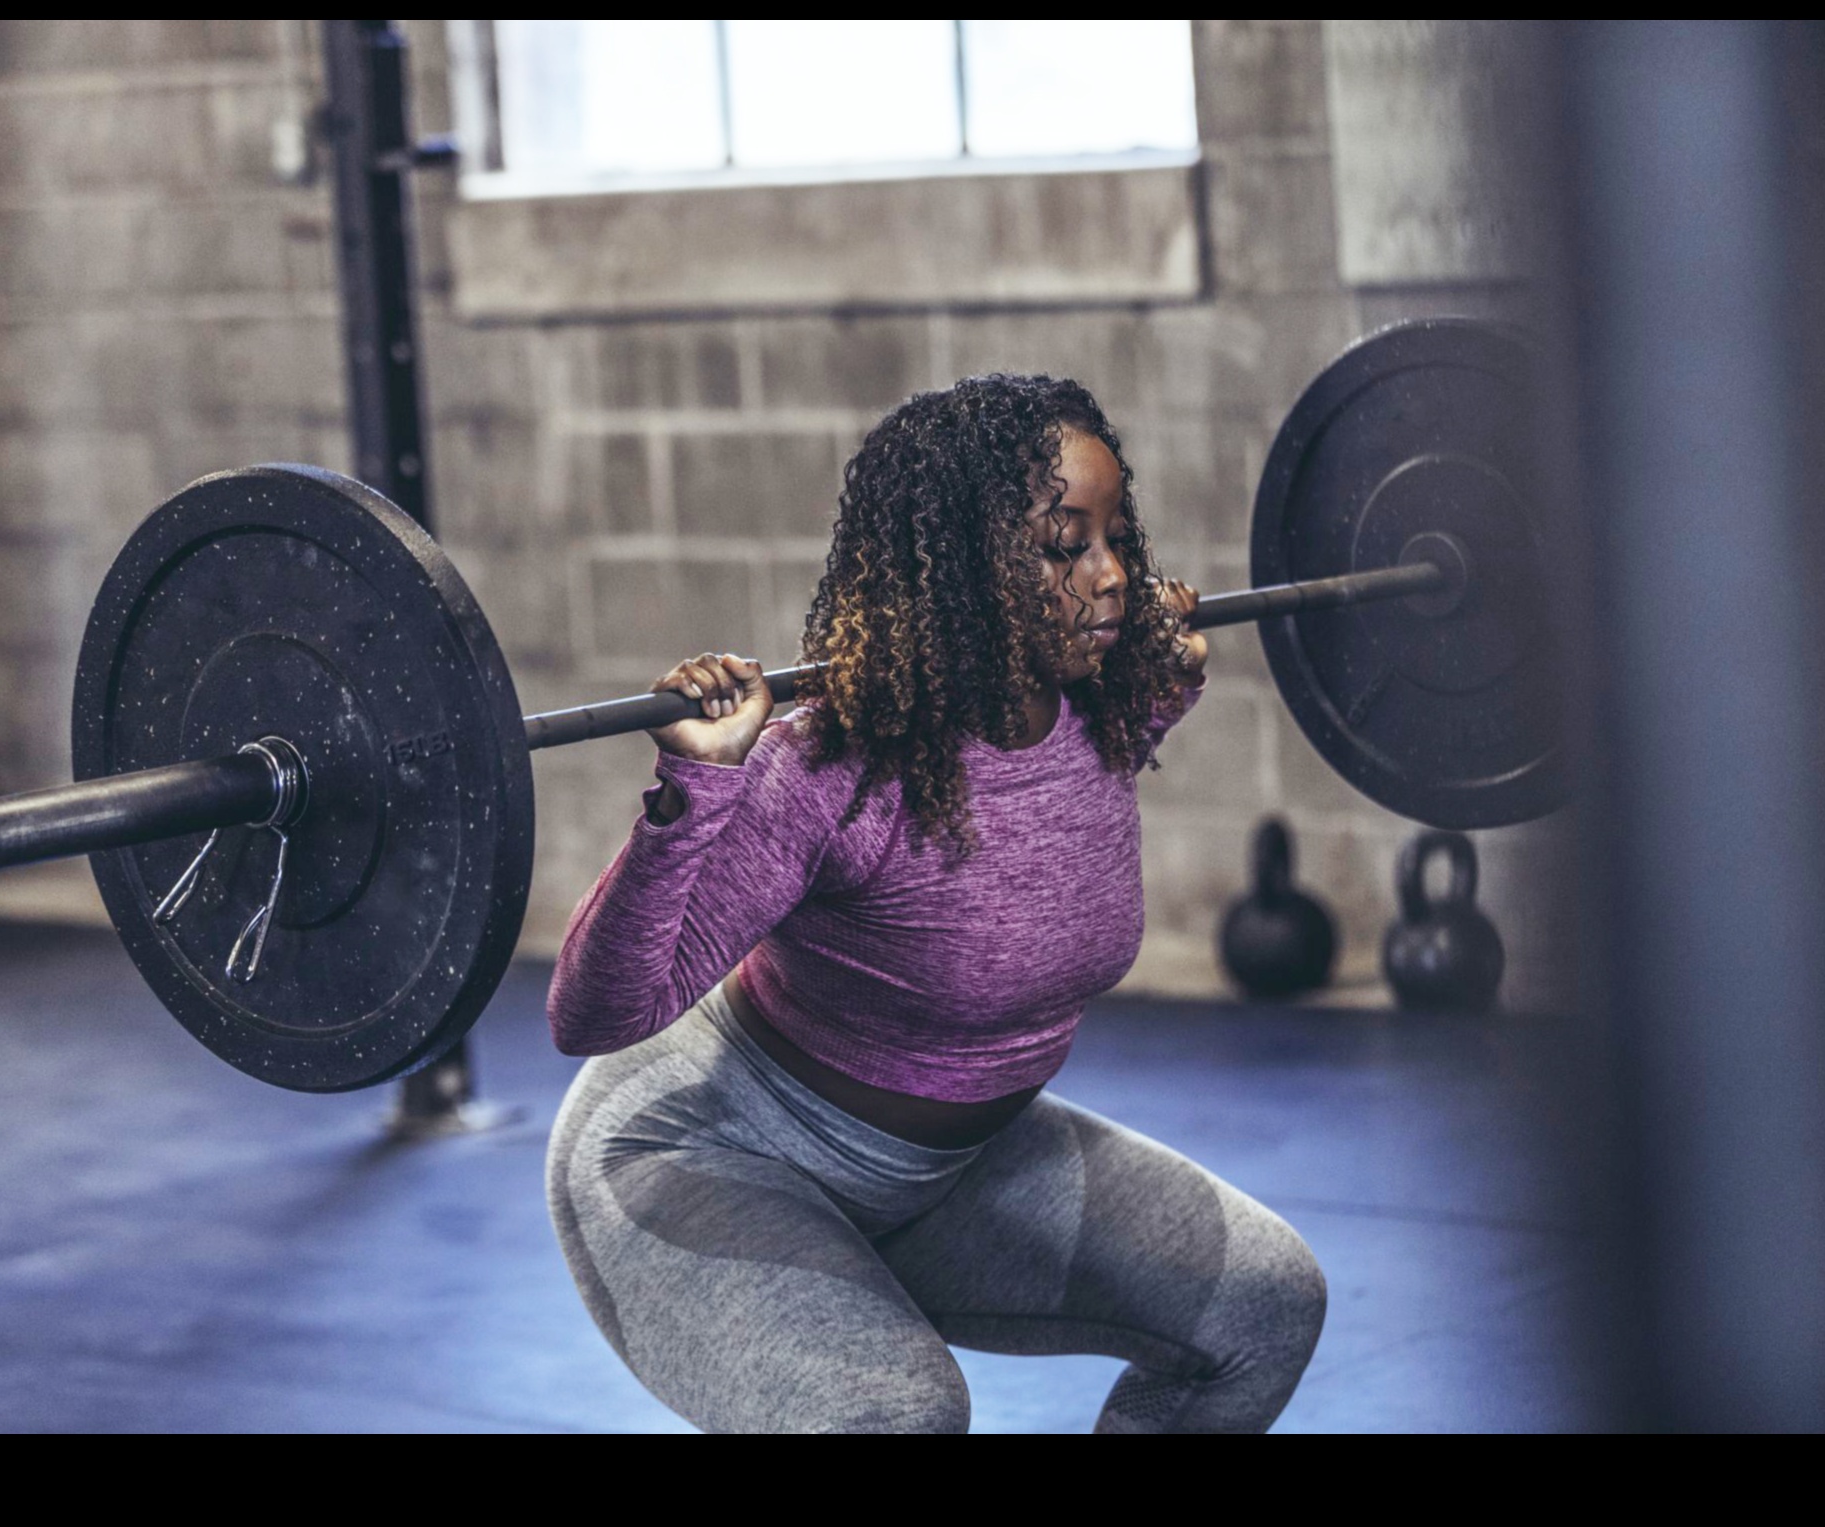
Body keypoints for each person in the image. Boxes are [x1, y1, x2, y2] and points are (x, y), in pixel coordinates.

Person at [545, 374, 1326, 1433]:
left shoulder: (1098, 711)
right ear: (962, 569)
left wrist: (1162, 678)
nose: (1110, 578)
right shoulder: (825, 769)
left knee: (1264, 1307)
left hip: (949, 1174)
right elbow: (593, 1015)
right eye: (1062, 547)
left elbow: (1033, 817)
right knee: (894, 1417)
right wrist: (697, 792)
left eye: (1115, 537)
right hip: (705, 1151)